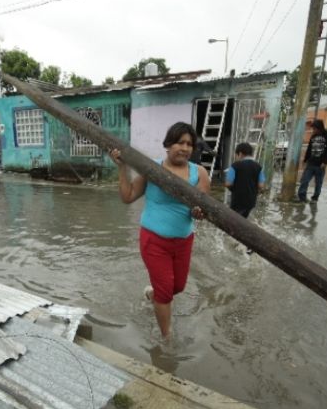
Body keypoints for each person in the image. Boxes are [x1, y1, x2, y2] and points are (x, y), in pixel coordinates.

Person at [109, 122, 210, 340]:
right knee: (165, 292)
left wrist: (198, 213)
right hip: (154, 240)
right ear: (168, 144)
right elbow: (127, 197)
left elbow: (199, 209)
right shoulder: (151, 169)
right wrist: (122, 168)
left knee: (178, 287)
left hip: (184, 240)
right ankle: (167, 339)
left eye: (189, 144)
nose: (184, 148)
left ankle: (152, 294)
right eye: (179, 143)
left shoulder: (199, 173)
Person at [224, 142, 265, 254]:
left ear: (240, 154)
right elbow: (261, 186)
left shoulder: (235, 166)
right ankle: (248, 244)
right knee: (244, 220)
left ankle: (244, 245)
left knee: (234, 223)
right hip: (251, 201)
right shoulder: (258, 167)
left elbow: (228, 183)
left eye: (236, 155)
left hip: (237, 200)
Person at [298, 119, 327, 202]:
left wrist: (325, 162)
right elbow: (309, 149)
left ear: (320, 128)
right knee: (304, 180)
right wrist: (305, 160)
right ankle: (302, 197)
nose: (313, 130)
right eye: (313, 129)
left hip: (320, 165)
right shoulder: (313, 136)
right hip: (311, 163)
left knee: (318, 183)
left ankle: (315, 198)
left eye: (314, 128)